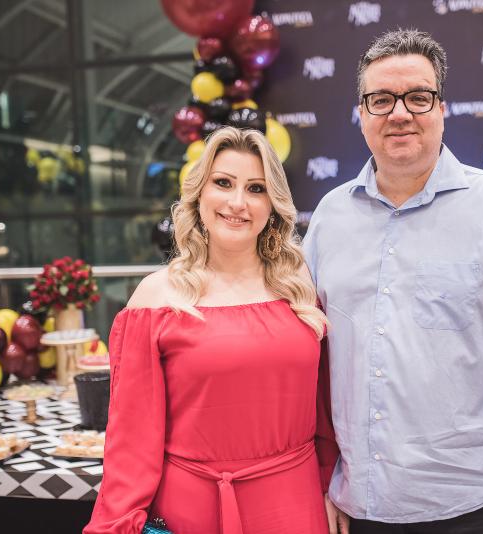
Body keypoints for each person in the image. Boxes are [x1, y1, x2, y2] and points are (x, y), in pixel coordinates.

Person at [303, 30, 483, 534]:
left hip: (475, 507)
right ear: (362, 113)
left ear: (442, 109)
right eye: (381, 99)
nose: (399, 113)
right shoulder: (328, 218)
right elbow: (310, 361)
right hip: (359, 506)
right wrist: (325, 479)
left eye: (418, 97)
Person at [85, 127, 339, 534]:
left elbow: (326, 413)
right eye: (223, 183)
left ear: (272, 205)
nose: (237, 202)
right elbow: (131, 441)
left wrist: (332, 488)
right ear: (199, 194)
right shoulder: (156, 297)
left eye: (255, 188)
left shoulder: (301, 290)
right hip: (192, 511)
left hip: (296, 504)